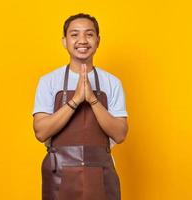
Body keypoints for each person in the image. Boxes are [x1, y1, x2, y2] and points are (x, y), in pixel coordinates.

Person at [32, 13, 128, 200]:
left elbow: (120, 134)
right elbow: (41, 132)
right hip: (58, 172)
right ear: (64, 41)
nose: (82, 40)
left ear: (98, 41)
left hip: (101, 174)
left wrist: (92, 99)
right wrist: (75, 100)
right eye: (74, 34)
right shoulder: (48, 81)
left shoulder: (112, 83)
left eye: (89, 34)